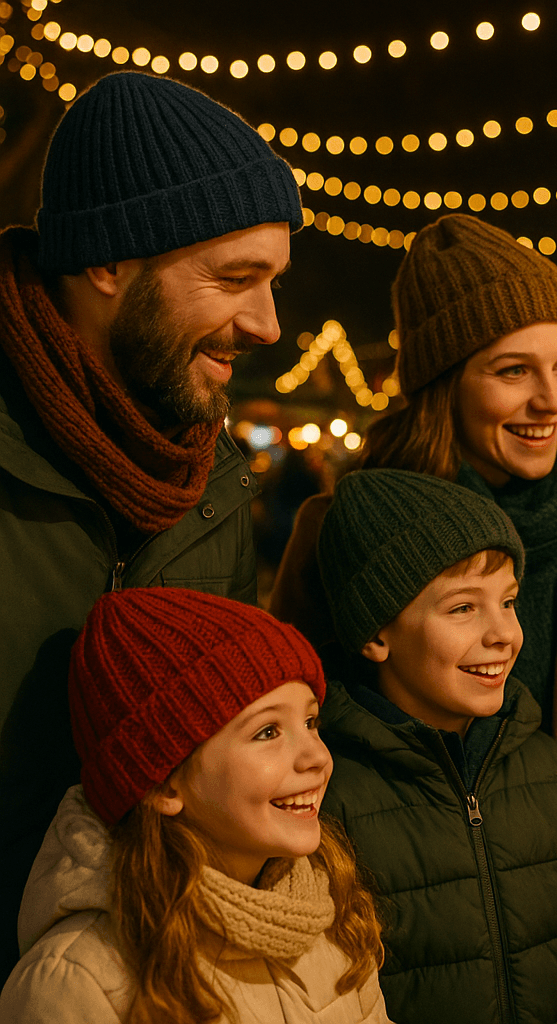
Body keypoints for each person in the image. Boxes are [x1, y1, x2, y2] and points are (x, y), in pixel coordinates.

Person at [271, 214, 557, 1023]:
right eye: (514, 370)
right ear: (447, 381)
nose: (550, 399)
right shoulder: (347, 529)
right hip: (425, 942)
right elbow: (297, 729)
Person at [0, 70, 301, 977]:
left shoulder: (209, 482)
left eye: (275, 280)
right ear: (108, 263)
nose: (269, 324)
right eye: (235, 278)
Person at [316, 467, 557, 1024]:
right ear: (376, 633)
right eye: (463, 608)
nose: (504, 633)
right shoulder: (330, 794)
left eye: (510, 602)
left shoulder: (547, 768)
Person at [0, 588, 391, 1023]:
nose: (317, 757)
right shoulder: (75, 982)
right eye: (267, 732)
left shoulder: (333, 920)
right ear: (163, 784)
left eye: (310, 721)